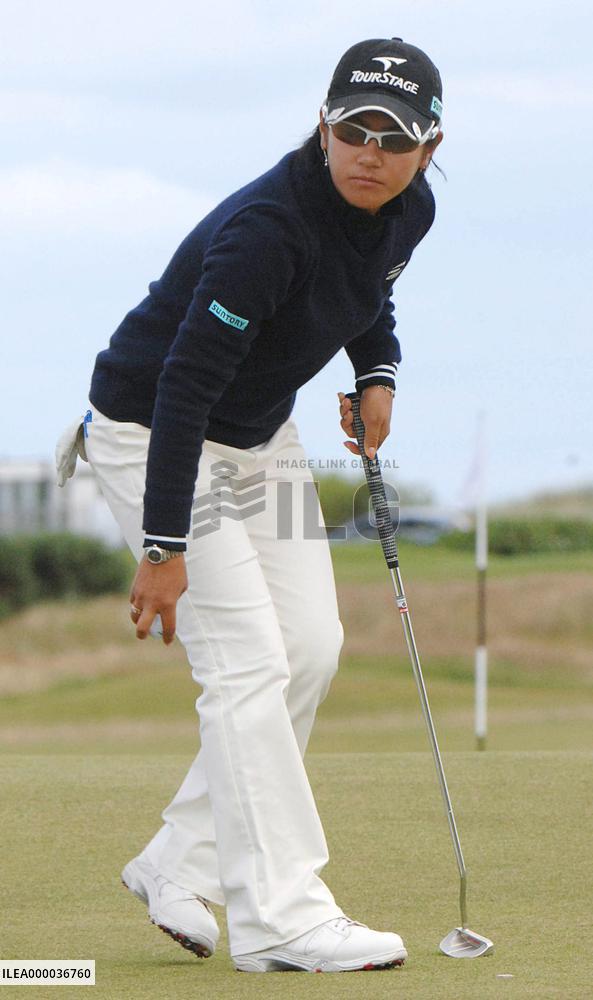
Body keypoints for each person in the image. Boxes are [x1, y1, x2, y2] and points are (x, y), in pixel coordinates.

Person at [58, 36, 443, 973]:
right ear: (322, 125)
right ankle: (281, 918)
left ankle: (176, 861)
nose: (369, 152)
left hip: (257, 438)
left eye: (393, 139)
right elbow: (183, 385)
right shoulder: (268, 230)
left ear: (429, 149)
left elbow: (370, 291)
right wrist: (162, 548)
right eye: (352, 128)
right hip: (155, 432)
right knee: (244, 664)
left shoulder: (408, 209)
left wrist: (377, 371)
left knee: (309, 650)